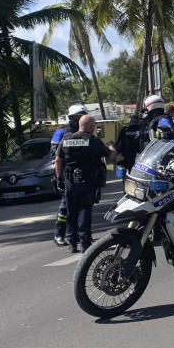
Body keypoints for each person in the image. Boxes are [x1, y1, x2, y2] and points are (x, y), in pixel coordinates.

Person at [55, 115, 110, 253]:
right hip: (87, 180)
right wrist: (112, 147)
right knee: (85, 210)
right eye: (94, 126)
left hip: (70, 180)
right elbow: (109, 154)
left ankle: (72, 243)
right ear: (91, 127)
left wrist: (59, 179)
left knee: (71, 212)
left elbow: (58, 161)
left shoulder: (66, 140)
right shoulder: (93, 140)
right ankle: (85, 242)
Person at [51, 103, 87, 247]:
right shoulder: (61, 133)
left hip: (83, 173)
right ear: (70, 118)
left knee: (81, 207)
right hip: (66, 173)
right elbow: (55, 156)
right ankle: (59, 234)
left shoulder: (85, 132)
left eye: (81, 117)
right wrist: (59, 178)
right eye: (76, 117)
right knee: (66, 206)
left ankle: (75, 235)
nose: (78, 119)